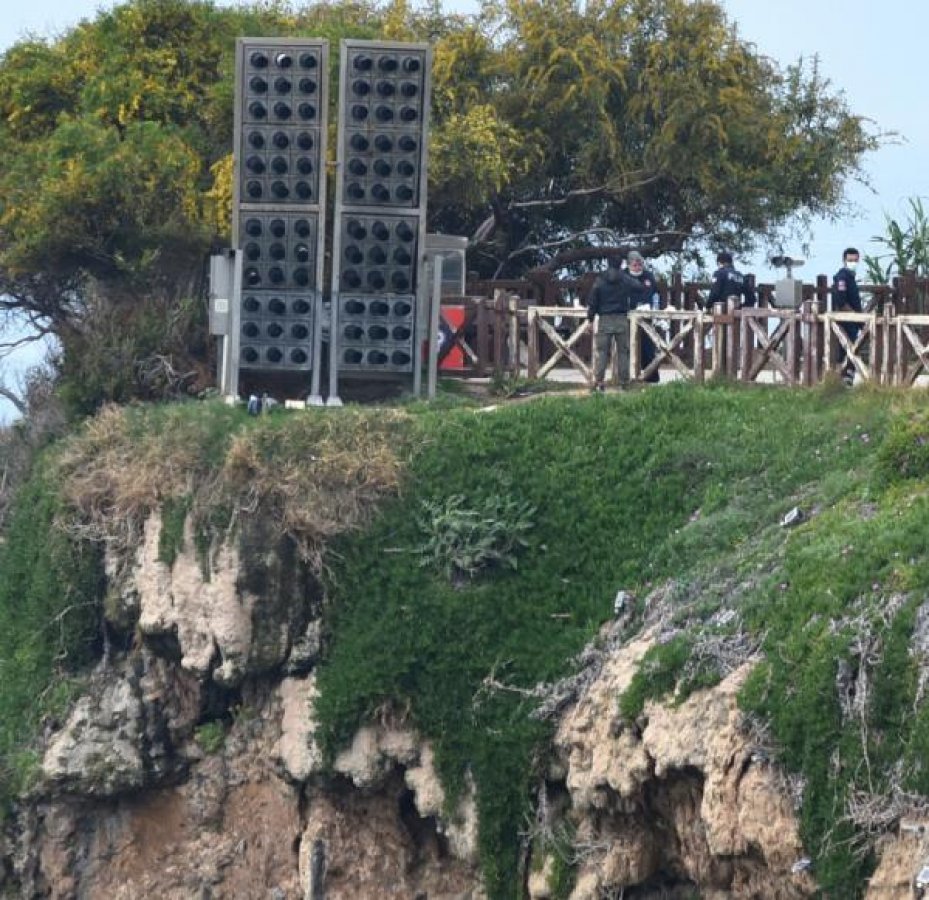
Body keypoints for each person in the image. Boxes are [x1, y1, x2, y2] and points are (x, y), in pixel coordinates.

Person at [586, 253, 650, 391]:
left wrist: (590, 319)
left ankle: (598, 382)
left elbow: (593, 300)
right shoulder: (625, 279)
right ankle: (624, 383)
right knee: (623, 352)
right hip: (621, 318)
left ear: (607, 263)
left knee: (602, 351)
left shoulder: (600, 279)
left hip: (604, 319)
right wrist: (644, 283)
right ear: (621, 264)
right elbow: (639, 287)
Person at [627, 250, 662, 384]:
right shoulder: (624, 276)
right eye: (635, 265)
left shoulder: (649, 276)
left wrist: (656, 312)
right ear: (629, 265)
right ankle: (628, 377)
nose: (638, 267)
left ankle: (651, 378)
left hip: (647, 316)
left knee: (648, 348)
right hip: (629, 316)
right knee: (629, 347)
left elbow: (655, 295)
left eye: (640, 264)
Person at [832, 247, 862, 385]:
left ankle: (847, 376)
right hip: (846, 320)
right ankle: (844, 377)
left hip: (854, 320)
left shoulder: (851, 277)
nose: (853, 263)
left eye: (855, 260)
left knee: (852, 348)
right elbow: (841, 301)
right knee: (847, 348)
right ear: (844, 260)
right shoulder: (842, 277)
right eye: (850, 260)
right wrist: (854, 315)